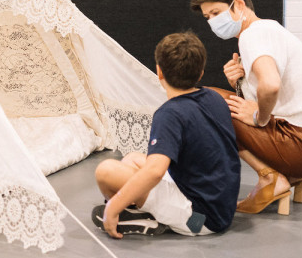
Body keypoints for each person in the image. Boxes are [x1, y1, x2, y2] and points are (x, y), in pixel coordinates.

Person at [190, 0, 302, 215]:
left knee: (203, 101)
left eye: (215, 13)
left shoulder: (253, 35)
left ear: (238, 4)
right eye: (207, 17)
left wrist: (261, 118)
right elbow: (270, 90)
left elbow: (271, 85)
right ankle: (277, 176)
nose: (212, 21)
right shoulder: (268, 30)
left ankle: (270, 178)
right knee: (215, 98)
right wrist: (240, 82)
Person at [92, 31, 240, 237]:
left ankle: (129, 215)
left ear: (159, 72)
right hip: (220, 207)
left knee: (106, 171)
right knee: (133, 158)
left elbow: (155, 172)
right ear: (201, 72)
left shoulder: (169, 113)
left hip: (200, 219)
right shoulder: (214, 97)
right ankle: (135, 210)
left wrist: (114, 205)